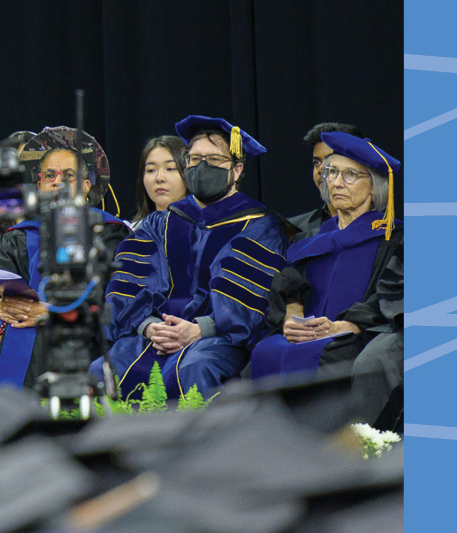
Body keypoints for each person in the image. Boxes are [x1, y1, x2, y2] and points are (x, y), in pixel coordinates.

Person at [95, 116, 289, 402]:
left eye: (213, 159)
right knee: (101, 370)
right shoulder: (159, 223)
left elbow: (253, 301)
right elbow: (128, 285)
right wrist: (148, 326)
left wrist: (200, 329)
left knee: (195, 368)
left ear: (236, 170)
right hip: (154, 336)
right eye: (194, 159)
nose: (202, 166)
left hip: (217, 339)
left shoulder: (260, 226)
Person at [247, 132, 403, 426]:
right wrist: (293, 317)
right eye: (331, 172)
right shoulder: (312, 238)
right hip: (309, 333)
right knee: (264, 350)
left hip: (358, 334)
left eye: (350, 175)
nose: (336, 182)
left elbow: (393, 294)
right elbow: (288, 285)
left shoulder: (394, 238)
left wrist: (345, 325)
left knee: (332, 357)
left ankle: (331, 454)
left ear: (375, 188)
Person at [0, 128, 129, 394]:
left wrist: (52, 312)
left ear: (87, 186)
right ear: (38, 185)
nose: (58, 182)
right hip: (18, 323)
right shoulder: (18, 237)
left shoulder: (108, 232)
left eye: (69, 175)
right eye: (50, 175)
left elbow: (116, 294)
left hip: (80, 329)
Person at [285, 121, 360, 241]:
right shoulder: (294, 230)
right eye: (317, 162)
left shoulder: (386, 231)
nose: (321, 169)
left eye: (330, 160)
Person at [131, 133, 189, 223]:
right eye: (151, 170)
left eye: (170, 168)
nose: (159, 178)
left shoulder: (204, 231)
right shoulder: (134, 233)